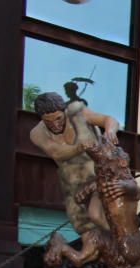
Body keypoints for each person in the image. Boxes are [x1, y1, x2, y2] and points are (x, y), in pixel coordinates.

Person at [29, 92, 121, 257]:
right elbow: (56, 153)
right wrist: (79, 147)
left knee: (96, 214)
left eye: (58, 118)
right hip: (72, 183)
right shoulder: (37, 133)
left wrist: (110, 131)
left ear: (64, 111)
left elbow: (109, 120)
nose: (55, 125)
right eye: (48, 122)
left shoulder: (77, 112)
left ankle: (125, 241)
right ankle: (102, 253)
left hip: (98, 174)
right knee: (86, 235)